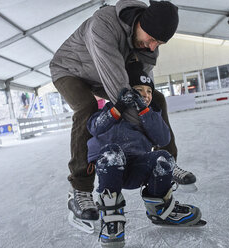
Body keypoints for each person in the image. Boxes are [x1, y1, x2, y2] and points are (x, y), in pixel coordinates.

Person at [50, 0, 180, 229]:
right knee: (87, 108)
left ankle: (168, 164)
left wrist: (155, 147)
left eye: (158, 44)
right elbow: (121, 91)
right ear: (140, 22)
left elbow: (142, 87)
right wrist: (146, 132)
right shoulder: (103, 25)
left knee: (155, 99)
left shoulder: (148, 45)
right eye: (151, 39)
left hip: (102, 74)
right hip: (70, 70)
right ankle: (79, 191)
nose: (152, 47)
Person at [87, 61, 204, 247]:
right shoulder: (110, 108)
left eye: (149, 91)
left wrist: (144, 109)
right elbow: (94, 127)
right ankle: (112, 221)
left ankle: (159, 209)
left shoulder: (150, 113)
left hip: (136, 168)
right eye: (140, 90)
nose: (146, 95)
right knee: (112, 152)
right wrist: (118, 107)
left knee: (163, 158)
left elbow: (163, 138)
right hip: (111, 169)